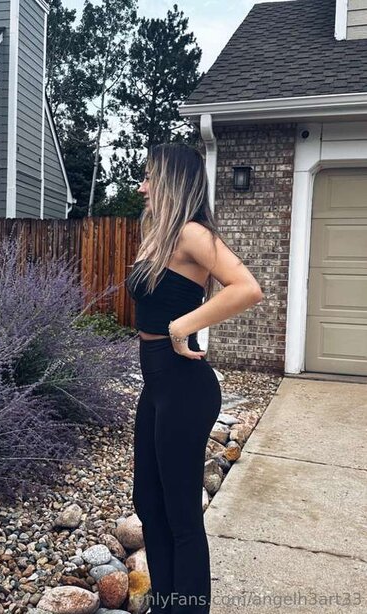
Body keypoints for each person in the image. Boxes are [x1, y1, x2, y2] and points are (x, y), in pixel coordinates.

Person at [125, 142, 264, 614]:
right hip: (158, 385)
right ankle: (167, 604)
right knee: (149, 501)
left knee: (182, 514)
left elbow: (247, 288)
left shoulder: (192, 233)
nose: (142, 186)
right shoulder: (160, 236)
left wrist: (182, 325)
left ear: (171, 181)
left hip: (184, 386)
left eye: (149, 177)